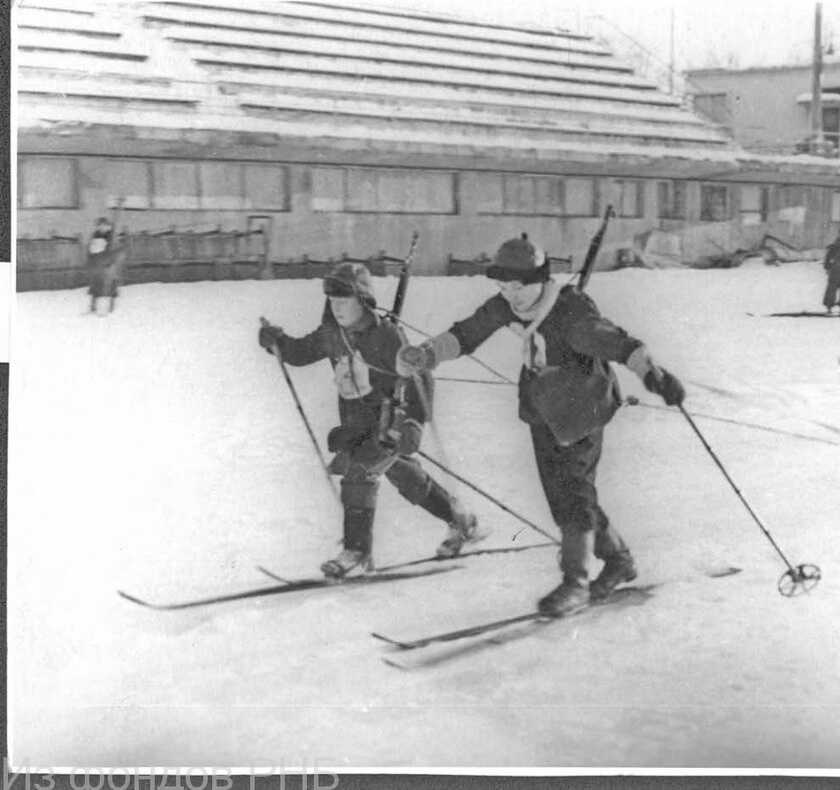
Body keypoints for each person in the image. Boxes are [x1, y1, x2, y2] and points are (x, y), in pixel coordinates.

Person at [393, 234, 686, 617]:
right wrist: (427, 353)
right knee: (562, 497)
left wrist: (654, 375)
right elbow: (467, 333)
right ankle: (618, 561)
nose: (511, 295)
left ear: (540, 280)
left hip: (583, 407)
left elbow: (618, 344)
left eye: (519, 286)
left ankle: (575, 584)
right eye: (503, 286)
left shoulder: (571, 313)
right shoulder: (507, 306)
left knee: (575, 496)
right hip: (542, 408)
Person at [258, 262, 484, 579]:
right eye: (332, 302)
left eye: (343, 302)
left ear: (362, 300)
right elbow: (300, 352)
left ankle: (357, 550)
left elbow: (420, 376)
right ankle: (460, 518)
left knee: (360, 470)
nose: (336, 309)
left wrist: (413, 422)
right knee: (403, 475)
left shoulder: (387, 336)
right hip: (354, 422)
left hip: (388, 422)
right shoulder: (332, 334)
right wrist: (277, 342)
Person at [86, 213, 123, 314]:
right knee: (95, 286)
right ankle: (93, 307)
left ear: (108, 226)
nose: (101, 227)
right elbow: (90, 250)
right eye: (99, 225)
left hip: (109, 265)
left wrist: (112, 260)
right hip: (97, 265)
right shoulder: (95, 236)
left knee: (110, 286)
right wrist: (90, 261)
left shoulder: (112, 237)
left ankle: (111, 308)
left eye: (103, 225)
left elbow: (118, 251)